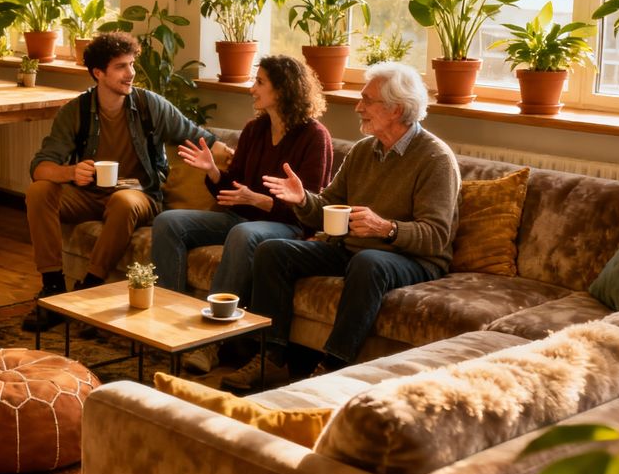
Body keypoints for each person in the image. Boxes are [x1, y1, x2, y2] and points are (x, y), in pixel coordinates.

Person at [224, 61, 460, 391]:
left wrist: (386, 228)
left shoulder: (434, 158)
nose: (358, 107)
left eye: (367, 100)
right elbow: (328, 207)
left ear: (396, 109)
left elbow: (436, 237)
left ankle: (334, 365)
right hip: (352, 249)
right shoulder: (364, 151)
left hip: (412, 258)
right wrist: (302, 200)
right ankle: (271, 357)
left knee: (369, 263)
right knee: (273, 251)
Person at [23, 32, 219, 331]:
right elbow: (40, 167)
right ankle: (52, 287)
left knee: (123, 200)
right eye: (121, 67)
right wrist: (71, 172)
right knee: (39, 192)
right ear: (98, 73)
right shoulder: (76, 112)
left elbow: (199, 137)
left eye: (132, 64)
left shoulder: (150, 105)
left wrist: (235, 159)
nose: (131, 74)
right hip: (88, 194)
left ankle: (90, 287)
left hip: (140, 196)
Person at [149, 55, 333, 372]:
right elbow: (234, 193)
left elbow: (310, 209)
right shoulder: (254, 129)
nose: (252, 88)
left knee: (244, 233)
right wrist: (213, 173)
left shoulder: (315, 137)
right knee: (168, 222)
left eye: (260, 82)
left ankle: (210, 341)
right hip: (243, 217)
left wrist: (260, 201)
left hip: (286, 227)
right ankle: (171, 322)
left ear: (283, 89)